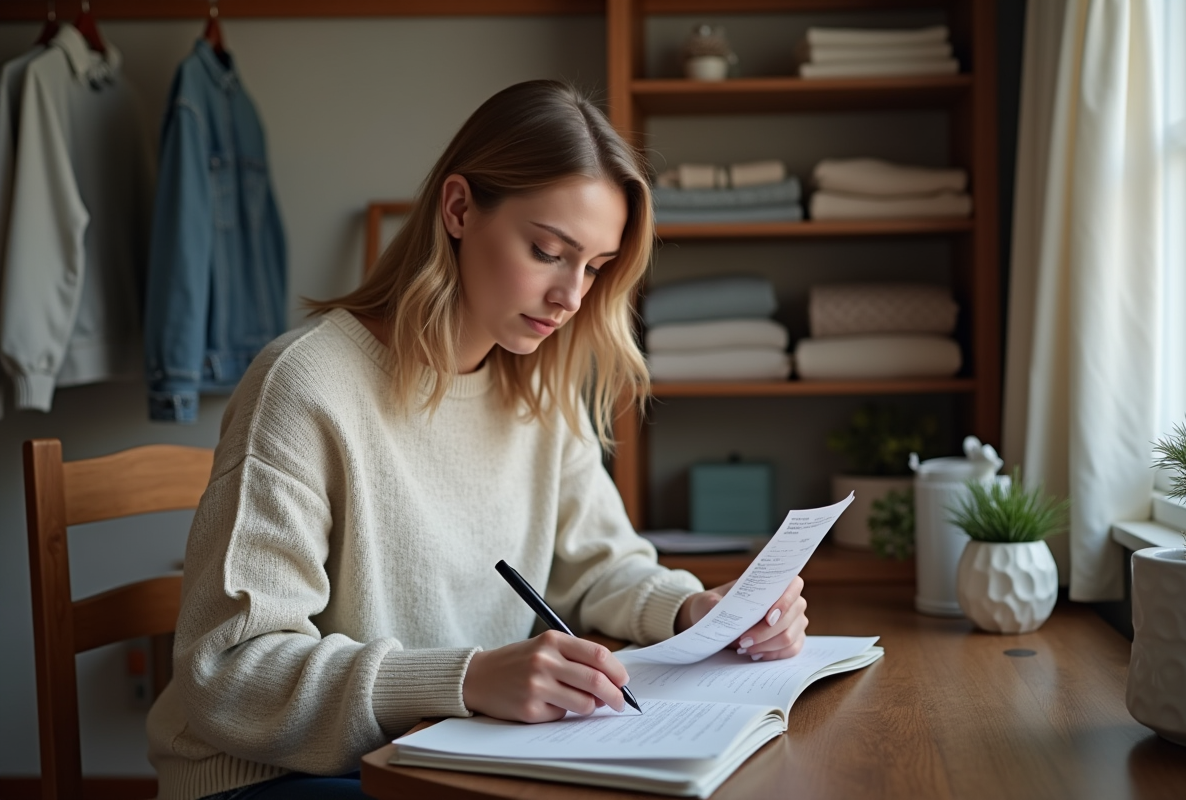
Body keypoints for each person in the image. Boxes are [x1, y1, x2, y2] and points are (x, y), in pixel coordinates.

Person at [147, 79, 810, 800]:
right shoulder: (304, 384)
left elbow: (598, 567)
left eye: (594, 267)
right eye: (549, 250)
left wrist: (698, 613)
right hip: (271, 778)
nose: (572, 297)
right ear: (459, 209)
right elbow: (230, 671)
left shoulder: (537, 387)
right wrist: (465, 679)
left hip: (440, 759)